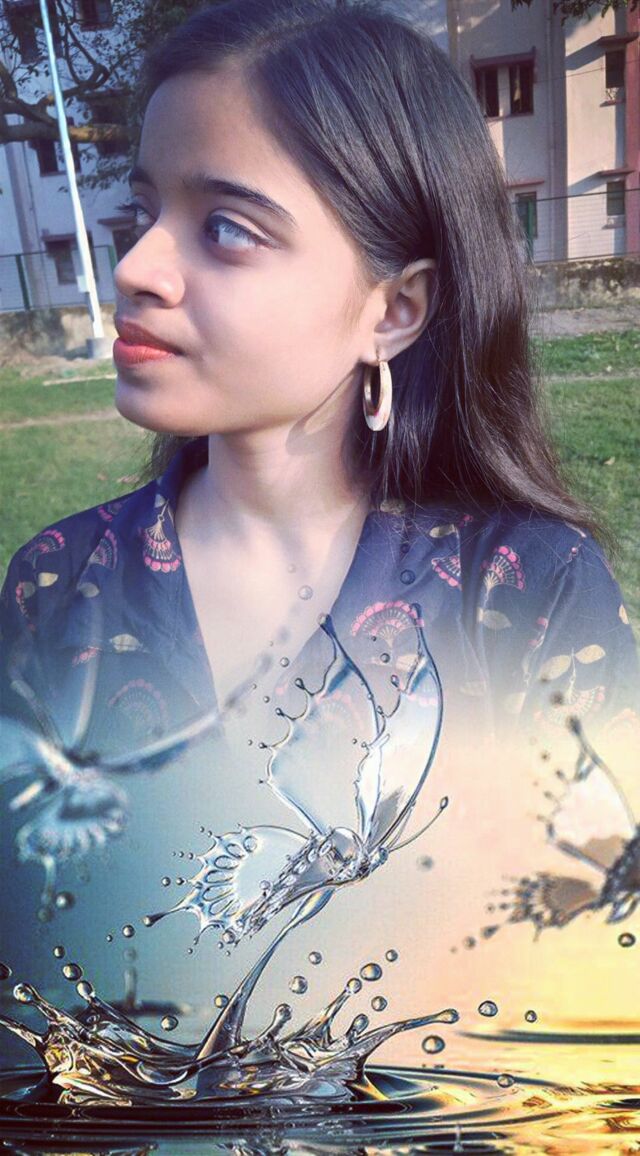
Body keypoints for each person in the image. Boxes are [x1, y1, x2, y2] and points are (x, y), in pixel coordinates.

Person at [2, 0, 640, 1072]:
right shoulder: (56, 587)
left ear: (391, 310)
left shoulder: (526, 594)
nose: (137, 267)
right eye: (143, 213)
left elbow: (598, 1004)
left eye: (226, 229)